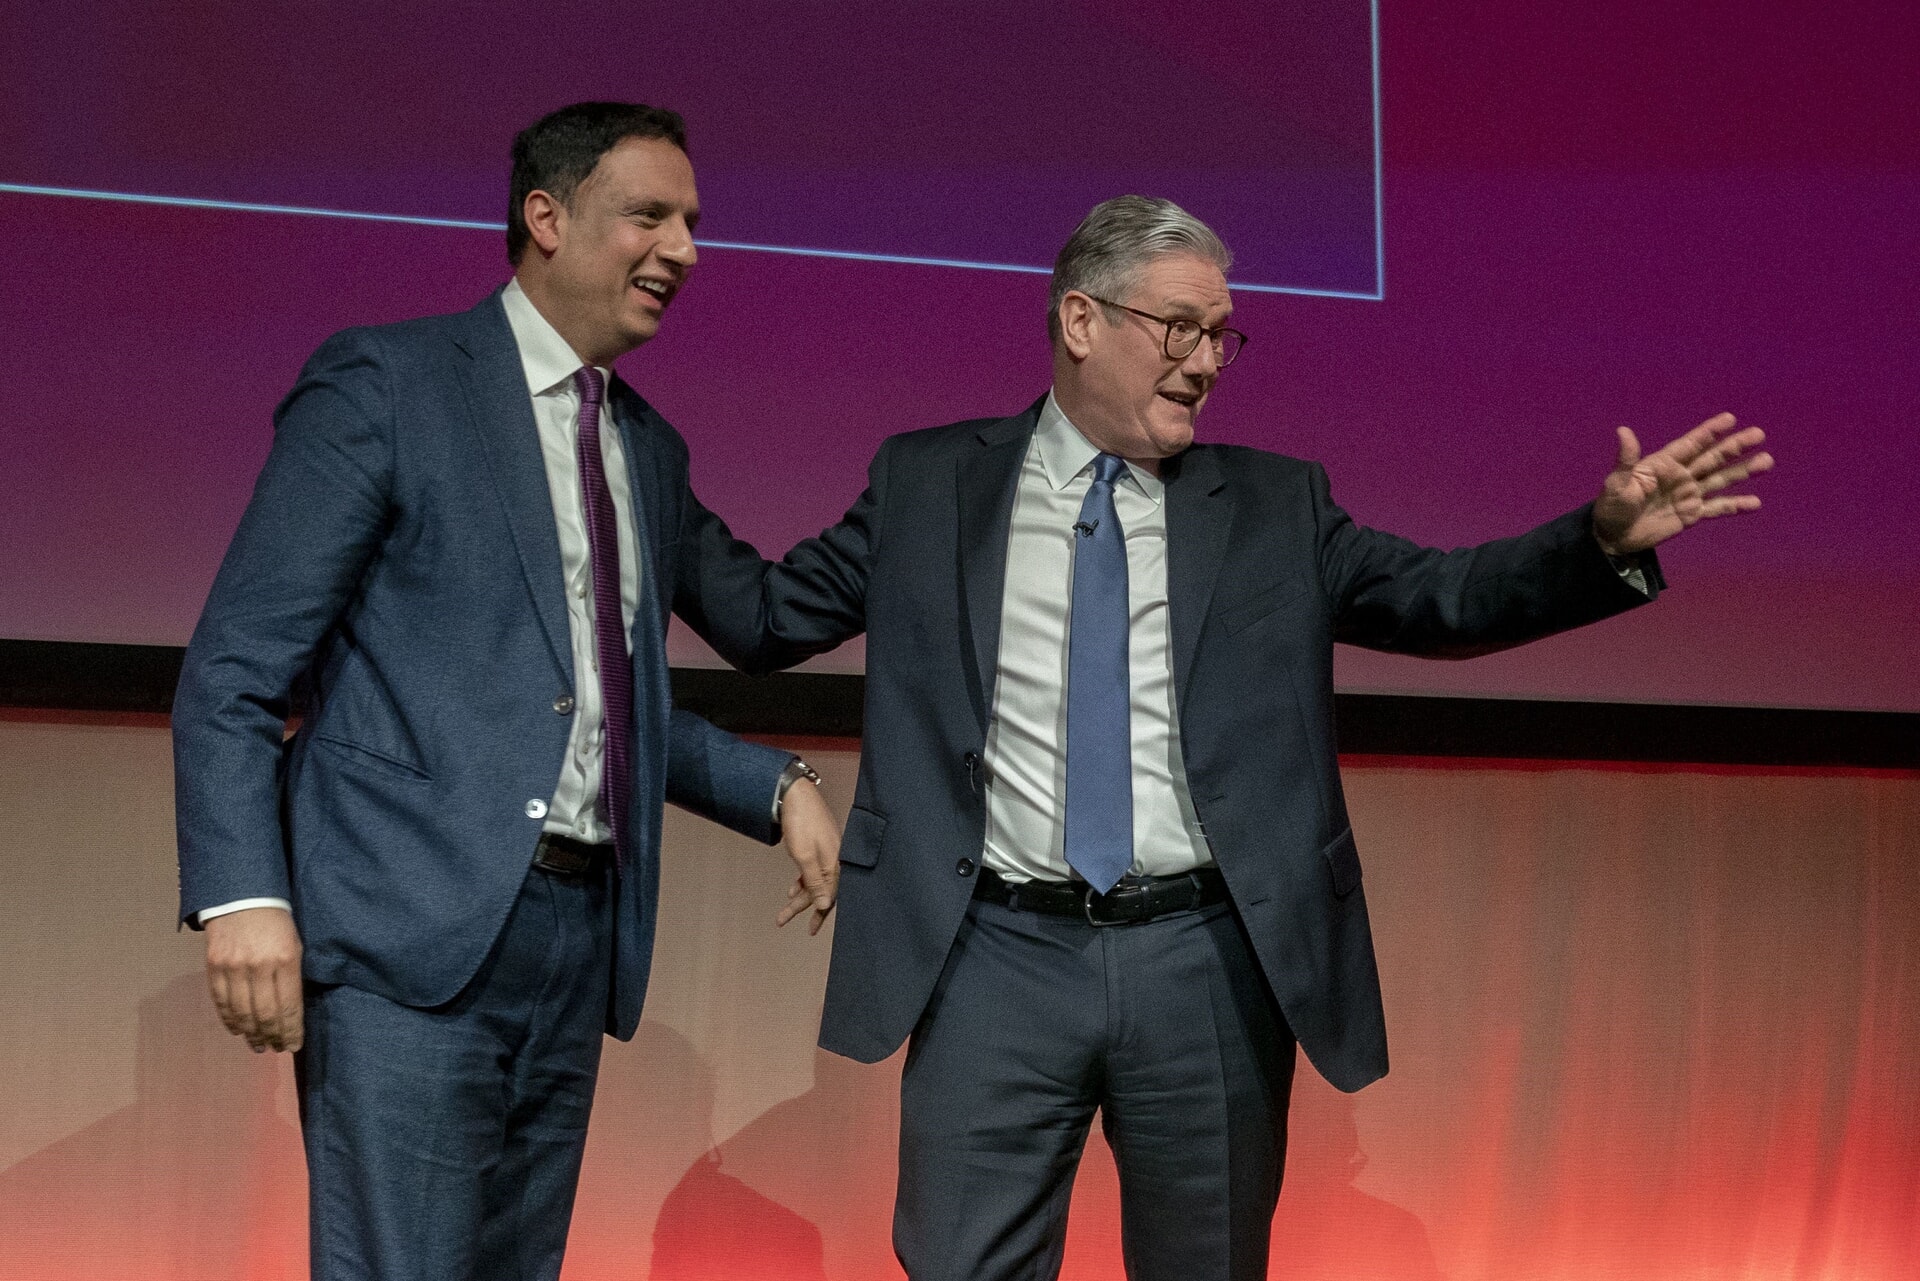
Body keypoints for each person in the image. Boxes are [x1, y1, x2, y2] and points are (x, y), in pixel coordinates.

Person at [679, 195, 1772, 1279]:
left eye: (1220, 336)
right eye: (1180, 328)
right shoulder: (929, 484)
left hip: (1202, 958)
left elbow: (1447, 600)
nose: (1206, 361)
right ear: (1080, 321)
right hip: (992, 955)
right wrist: (634, 475)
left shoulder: (1273, 506)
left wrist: (1598, 542)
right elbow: (768, 619)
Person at [171, 101, 841, 1281]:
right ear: (546, 216)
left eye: (691, 221)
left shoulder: (647, 446)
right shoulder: (389, 382)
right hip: (405, 928)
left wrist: (777, 782)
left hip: (575, 937)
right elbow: (235, 667)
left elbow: (630, 683)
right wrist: (241, 898)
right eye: (650, 214)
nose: (683, 249)